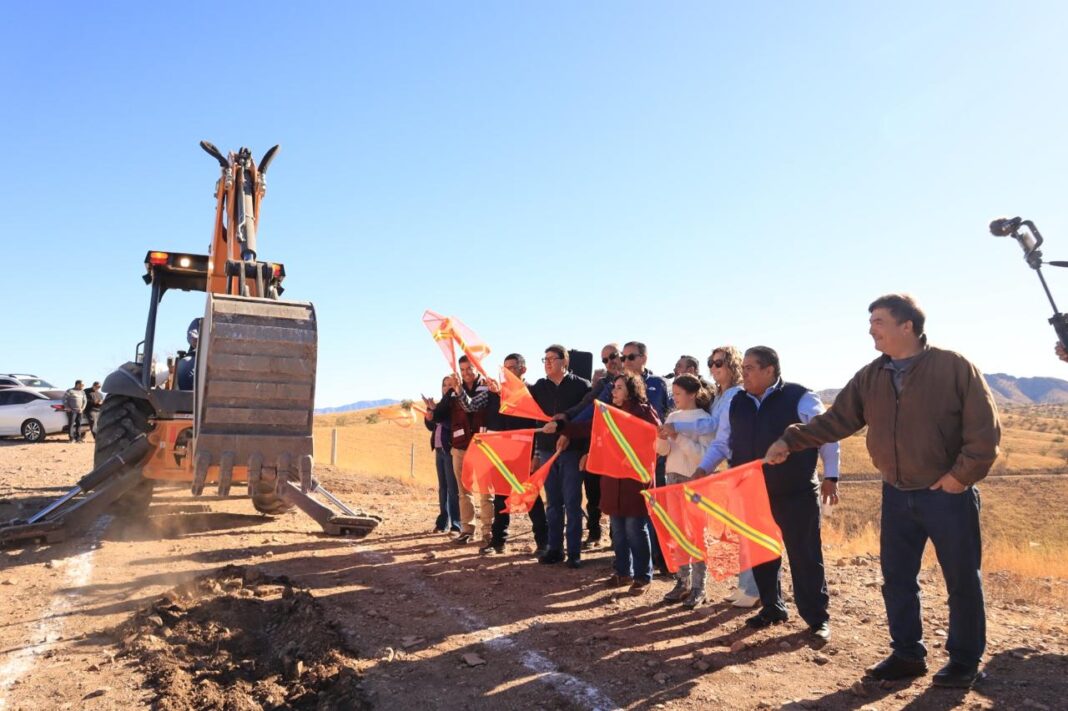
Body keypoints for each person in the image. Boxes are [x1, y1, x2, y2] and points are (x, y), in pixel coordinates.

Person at [766, 294, 1000, 688]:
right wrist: (791, 439)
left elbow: (984, 431)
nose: (870, 328)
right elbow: (837, 421)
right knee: (896, 578)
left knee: (961, 579)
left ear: (906, 326)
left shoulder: (954, 367)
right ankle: (907, 654)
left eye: (878, 321)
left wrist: (961, 476)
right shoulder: (871, 376)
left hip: (947, 494)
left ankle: (964, 660)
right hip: (896, 492)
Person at [692, 346, 840, 640]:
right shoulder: (737, 403)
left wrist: (831, 476)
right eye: (743, 367)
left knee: (804, 554)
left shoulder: (800, 397)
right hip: (751, 492)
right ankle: (773, 607)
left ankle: (816, 618)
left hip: (795, 491)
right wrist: (703, 469)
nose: (743, 373)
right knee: (760, 552)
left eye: (749, 368)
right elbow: (723, 443)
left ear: (769, 370)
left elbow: (827, 436)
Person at [661, 346, 759, 607]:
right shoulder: (720, 395)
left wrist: (676, 430)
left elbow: (713, 428)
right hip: (723, 465)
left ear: (733, 364)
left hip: (739, 464)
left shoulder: (735, 394)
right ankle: (745, 585)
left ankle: (750, 588)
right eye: (711, 364)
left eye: (720, 363)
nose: (714, 368)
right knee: (735, 528)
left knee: (736, 528)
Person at [558, 372, 660, 593]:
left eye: (619, 388)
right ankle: (623, 572)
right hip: (613, 480)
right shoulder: (610, 413)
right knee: (618, 529)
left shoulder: (643, 412)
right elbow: (588, 428)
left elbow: (654, 436)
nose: (613, 391)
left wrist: (631, 456)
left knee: (636, 529)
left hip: (635, 481)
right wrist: (561, 427)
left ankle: (643, 576)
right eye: (614, 387)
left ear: (631, 390)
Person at [655, 374, 714, 607]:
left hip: (695, 480)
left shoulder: (705, 420)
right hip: (672, 477)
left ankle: (699, 586)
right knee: (678, 530)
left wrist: (677, 436)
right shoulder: (673, 416)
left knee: (697, 533)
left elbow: (703, 455)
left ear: (692, 394)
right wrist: (661, 439)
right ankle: (682, 581)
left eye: (678, 394)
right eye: (674, 393)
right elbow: (663, 451)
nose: (675, 398)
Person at [481, 353, 549, 556]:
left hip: (524, 453)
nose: (507, 371)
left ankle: (543, 542)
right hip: (501, 454)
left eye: (512, 367)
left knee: (531, 498)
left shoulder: (532, 392)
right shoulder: (497, 394)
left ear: (523, 369)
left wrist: (535, 455)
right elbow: (492, 422)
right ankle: (498, 541)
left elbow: (538, 424)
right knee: (501, 498)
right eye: (505, 367)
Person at [559, 342, 625, 549]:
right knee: (593, 491)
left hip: (625, 452)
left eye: (613, 356)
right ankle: (595, 531)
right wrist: (566, 420)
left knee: (620, 496)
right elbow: (587, 405)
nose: (610, 362)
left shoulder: (639, 383)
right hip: (596, 446)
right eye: (604, 360)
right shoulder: (603, 385)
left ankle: (619, 540)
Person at [530, 345, 591, 567]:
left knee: (573, 504)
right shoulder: (539, 387)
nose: (547, 362)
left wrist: (582, 449)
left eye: (551, 359)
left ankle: (574, 552)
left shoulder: (581, 386)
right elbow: (533, 416)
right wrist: (536, 453)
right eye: (544, 359)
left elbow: (586, 421)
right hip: (547, 452)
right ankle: (554, 549)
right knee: (553, 504)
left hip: (571, 452)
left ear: (564, 361)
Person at [448, 355, 500, 546]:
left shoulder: (487, 388)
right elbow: (442, 414)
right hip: (460, 447)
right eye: (462, 370)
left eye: (469, 368)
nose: (466, 373)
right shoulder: (455, 391)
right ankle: (466, 529)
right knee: (463, 491)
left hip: (483, 446)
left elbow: (471, 406)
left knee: (486, 491)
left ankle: (488, 531)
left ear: (477, 368)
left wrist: (459, 389)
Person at [425, 375, 461, 536]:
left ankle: (456, 524)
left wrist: (436, 413)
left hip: (450, 449)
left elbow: (451, 424)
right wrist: (430, 414)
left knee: (453, 489)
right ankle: (442, 523)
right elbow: (431, 426)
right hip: (439, 450)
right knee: (443, 488)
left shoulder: (456, 405)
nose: (446, 387)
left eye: (449, 384)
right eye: (444, 385)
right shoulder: (440, 405)